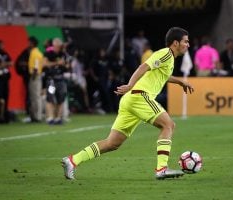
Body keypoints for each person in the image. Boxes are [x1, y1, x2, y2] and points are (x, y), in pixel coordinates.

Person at [62, 27, 194, 180]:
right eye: (186, 41)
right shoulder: (165, 53)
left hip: (131, 101)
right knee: (168, 125)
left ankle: (72, 160)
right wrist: (131, 84)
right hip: (140, 96)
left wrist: (179, 82)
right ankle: (162, 169)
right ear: (176, 43)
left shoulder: (169, 59)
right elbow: (143, 66)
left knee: (112, 143)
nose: (188, 44)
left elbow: (165, 76)